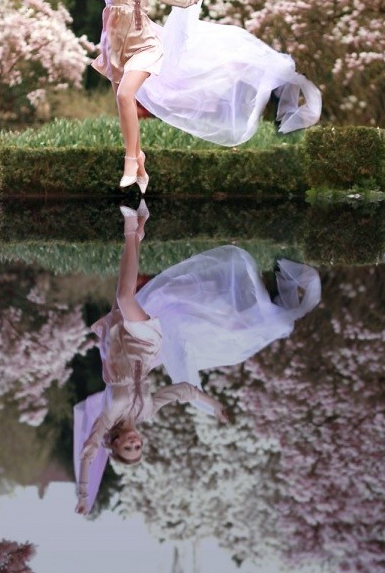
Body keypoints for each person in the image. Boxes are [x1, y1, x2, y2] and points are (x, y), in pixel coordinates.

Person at [72, 204, 323, 515]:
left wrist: (83, 495)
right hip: (145, 344)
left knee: (121, 295)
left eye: (128, 447)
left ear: (116, 443)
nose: (135, 443)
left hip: (116, 344)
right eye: (138, 448)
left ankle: (139, 231)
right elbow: (184, 391)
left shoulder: (108, 419)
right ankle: (130, 228)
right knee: (126, 298)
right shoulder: (147, 411)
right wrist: (212, 405)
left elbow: (87, 452)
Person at [74, 0, 228, 191]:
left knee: (125, 94)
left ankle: (131, 162)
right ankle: (140, 161)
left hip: (145, 43)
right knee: (123, 105)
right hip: (115, 44)